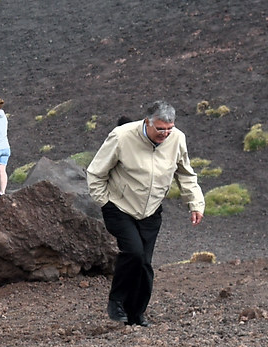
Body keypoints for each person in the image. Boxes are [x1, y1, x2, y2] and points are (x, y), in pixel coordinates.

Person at [85, 101, 204, 327]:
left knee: (145, 265)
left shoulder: (177, 139)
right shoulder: (121, 137)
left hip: (151, 210)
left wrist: (195, 203)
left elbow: (186, 174)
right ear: (147, 122)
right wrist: (104, 202)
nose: (165, 134)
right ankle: (116, 301)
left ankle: (136, 314)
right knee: (134, 253)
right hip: (120, 206)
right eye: (160, 129)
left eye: (169, 128)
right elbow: (95, 172)